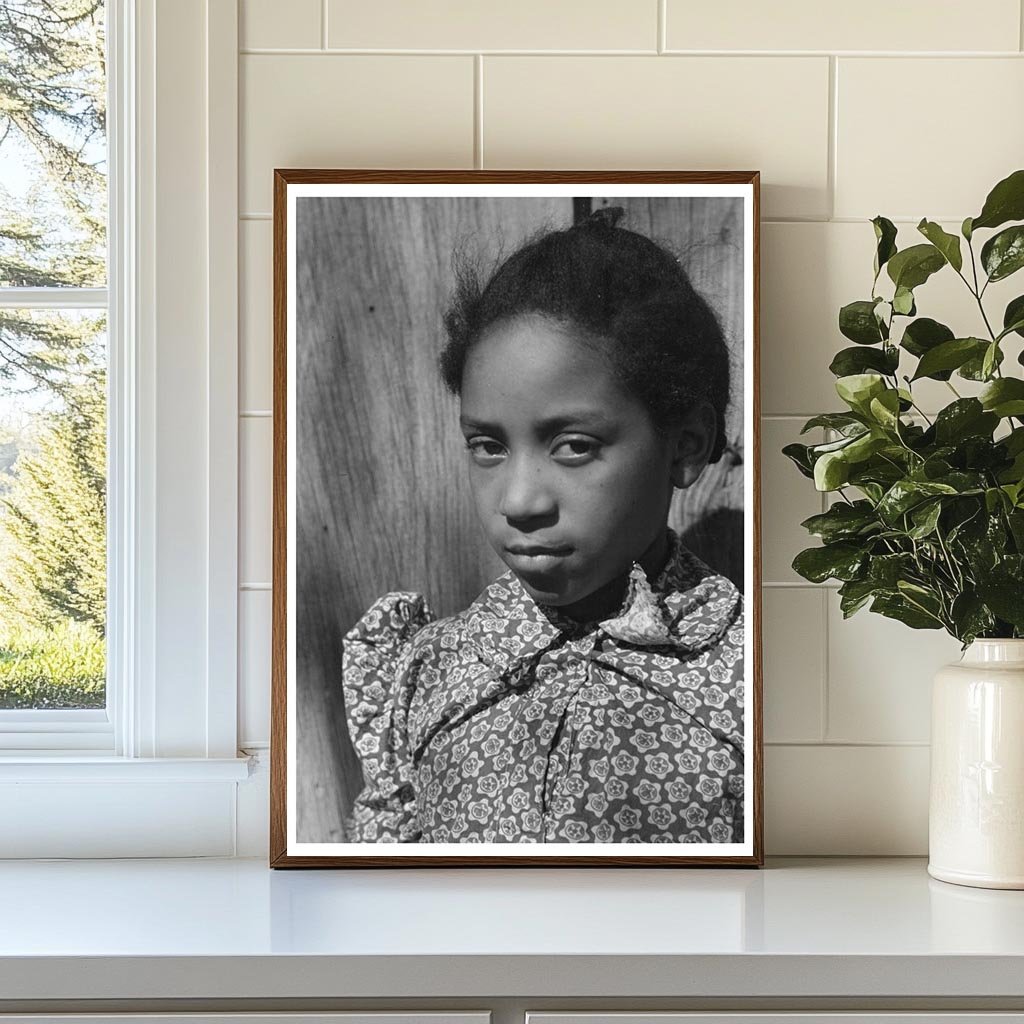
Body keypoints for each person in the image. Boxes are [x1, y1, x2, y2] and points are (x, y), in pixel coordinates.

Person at [341, 205, 744, 844]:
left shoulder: (748, 681)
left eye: (574, 446)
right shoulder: (433, 667)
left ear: (687, 445)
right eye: (488, 446)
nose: (520, 500)